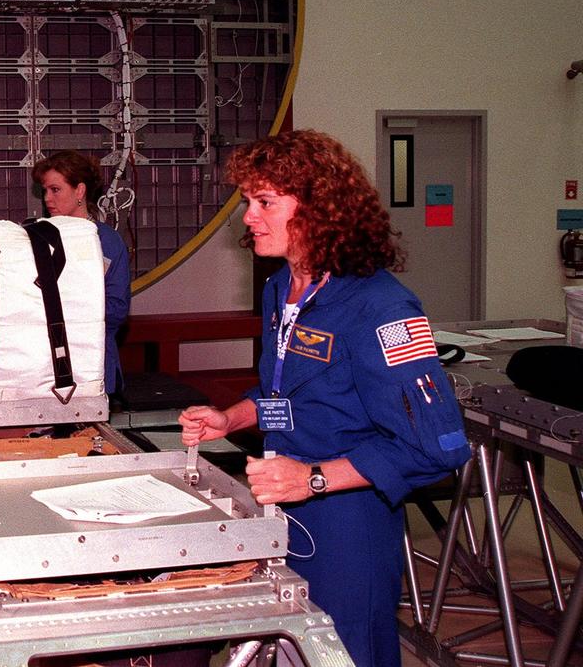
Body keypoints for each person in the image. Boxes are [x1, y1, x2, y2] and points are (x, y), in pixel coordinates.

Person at [178, 129, 470, 667]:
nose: (248, 216)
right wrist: (231, 416)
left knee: (343, 651)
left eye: (264, 202)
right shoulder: (278, 289)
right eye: (247, 202)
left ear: (318, 207)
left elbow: (438, 447)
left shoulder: (381, 306)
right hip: (282, 510)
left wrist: (310, 479)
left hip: (347, 523)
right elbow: (288, 397)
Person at [33, 150, 131, 396]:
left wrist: (62, 308)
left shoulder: (107, 242)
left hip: (92, 363)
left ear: (80, 191)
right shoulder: (36, 238)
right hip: (43, 365)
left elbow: (117, 309)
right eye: (45, 190)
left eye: (55, 190)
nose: (47, 198)